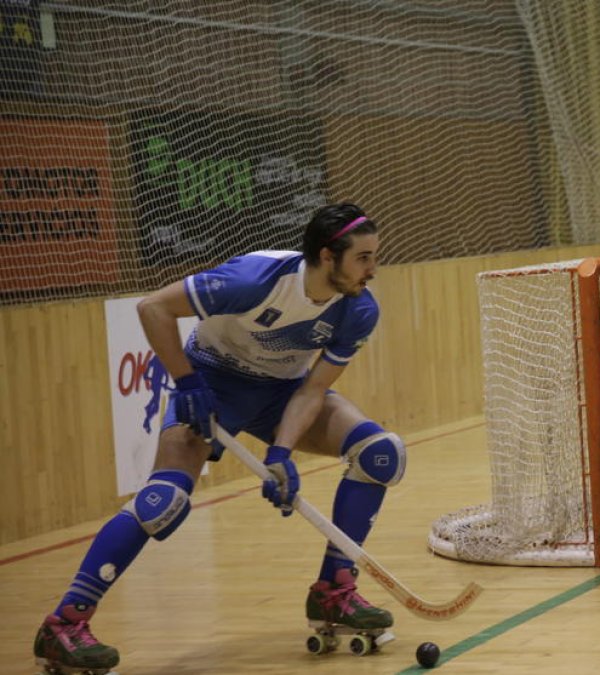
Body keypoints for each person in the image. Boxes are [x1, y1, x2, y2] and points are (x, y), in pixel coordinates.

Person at [33, 204, 405, 672]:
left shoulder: (358, 308)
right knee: (163, 503)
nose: (373, 269)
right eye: (364, 258)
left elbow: (313, 388)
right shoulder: (254, 280)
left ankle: (336, 591)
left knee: (380, 455)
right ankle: (64, 625)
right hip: (212, 386)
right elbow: (153, 307)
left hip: (282, 395)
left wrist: (281, 453)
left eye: (375, 257)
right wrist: (187, 382)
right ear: (328, 256)